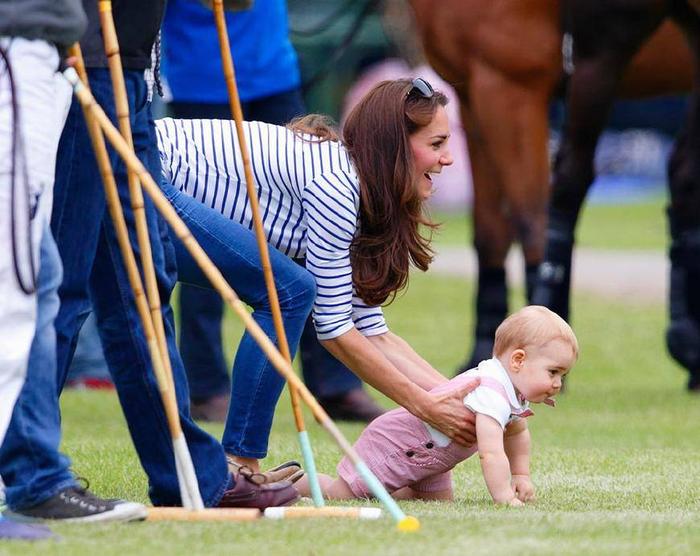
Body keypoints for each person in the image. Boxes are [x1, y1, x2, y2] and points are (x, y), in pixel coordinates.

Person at [0, 0, 300, 523]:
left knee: (140, 283)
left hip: (130, 72)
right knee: (61, 284)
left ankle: (187, 474)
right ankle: (31, 472)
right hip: (85, 66)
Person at [154, 77, 480, 474]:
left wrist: (464, 398)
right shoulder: (338, 187)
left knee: (289, 290)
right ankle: (240, 463)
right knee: (290, 291)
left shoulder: (358, 188)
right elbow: (335, 331)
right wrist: (425, 406)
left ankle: (239, 462)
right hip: (147, 172)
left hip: (146, 173)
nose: (448, 159)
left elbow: (370, 330)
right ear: (395, 147)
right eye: (436, 144)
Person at [161, 0, 383, 424]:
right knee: (206, 224)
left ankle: (335, 384)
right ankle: (207, 385)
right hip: (200, 77)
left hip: (273, 73)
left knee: (314, 225)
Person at [294, 306, 578, 503]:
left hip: (433, 461)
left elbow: (517, 431)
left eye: (562, 375)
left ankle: (391, 488)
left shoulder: (513, 392)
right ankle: (295, 482)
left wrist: (521, 474)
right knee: (342, 494)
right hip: (398, 445)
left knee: (437, 504)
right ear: (518, 360)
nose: (557, 383)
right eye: (553, 372)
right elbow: (490, 453)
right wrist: (503, 494)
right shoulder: (491, 390)